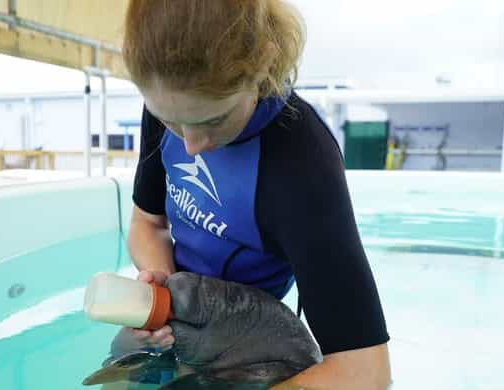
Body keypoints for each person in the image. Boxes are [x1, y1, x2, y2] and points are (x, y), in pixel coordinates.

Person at [119, 0, 391, 388]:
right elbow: (147, 224)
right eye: (169, 120)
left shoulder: (302, 162)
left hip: (252, 337)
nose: (192, 145)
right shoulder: (170, 96)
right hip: (183, 305)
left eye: (213, 119)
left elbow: (366, 373)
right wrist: (163, 295)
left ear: (263, 65)